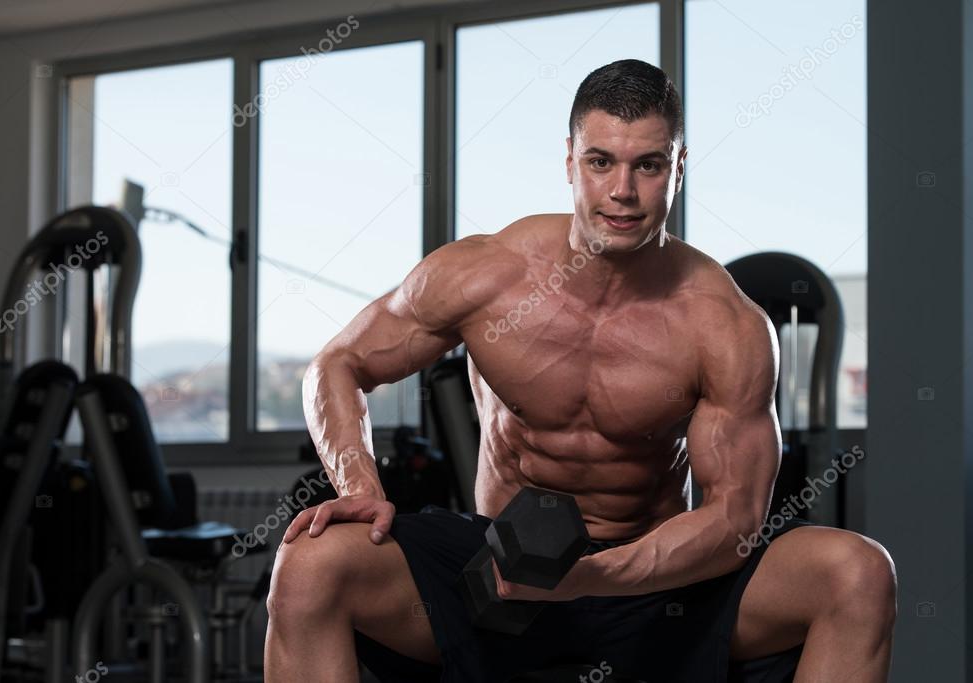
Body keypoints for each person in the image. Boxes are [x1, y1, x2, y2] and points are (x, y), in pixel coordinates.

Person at [264, 59, 896, 682]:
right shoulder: (487, 276)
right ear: (569, 160)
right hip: (500, 574)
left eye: (648, 165)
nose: (623, 191)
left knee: (857, 572)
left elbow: (735, 521)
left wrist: (596, 575)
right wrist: (359, 488)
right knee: (310, 563)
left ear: (678, 167)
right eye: (601, 162)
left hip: (655, 578)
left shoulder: (723, 323)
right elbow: (337, 364)